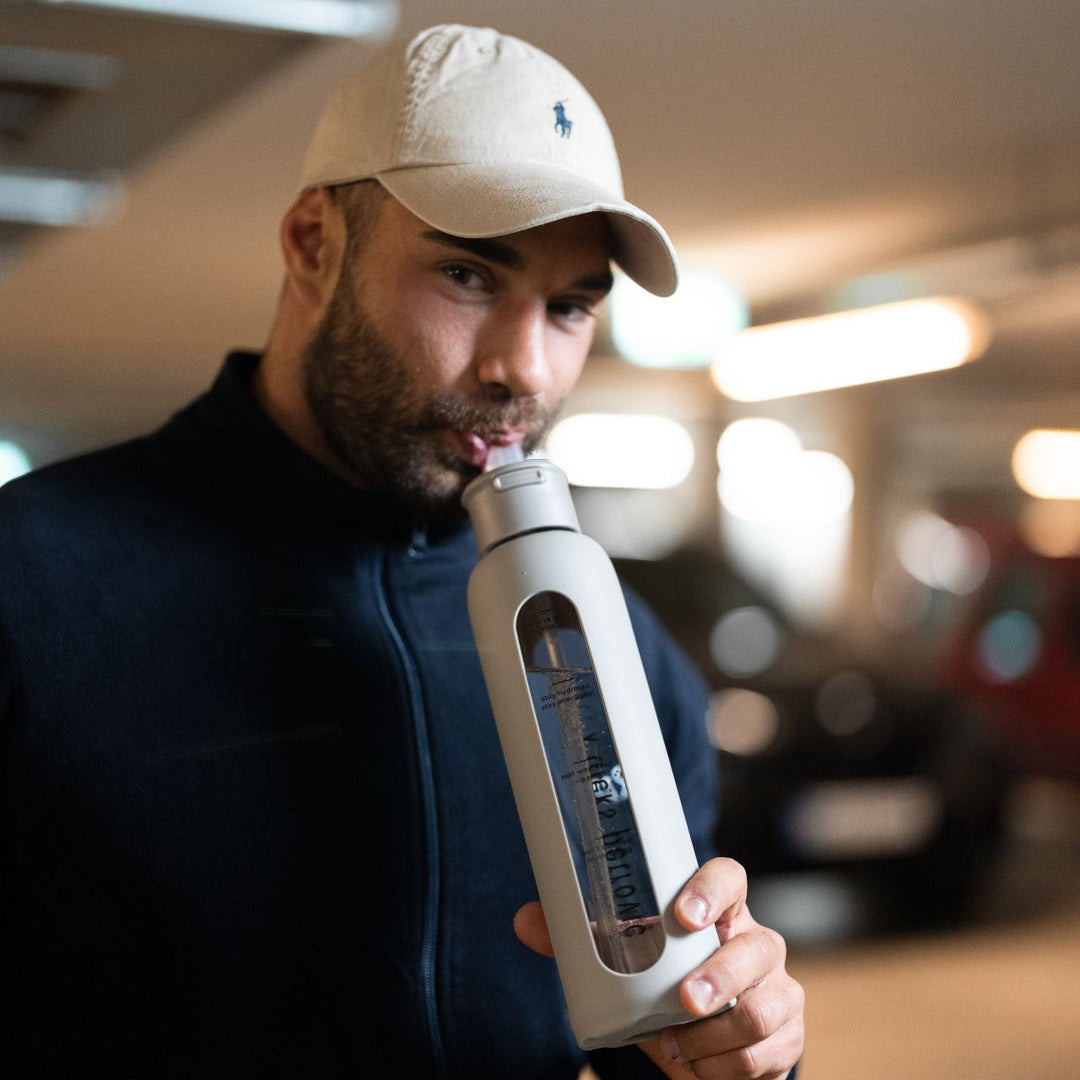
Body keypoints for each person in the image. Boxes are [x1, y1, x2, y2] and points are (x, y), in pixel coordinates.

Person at [0, 23, 804, 1080]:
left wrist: (730, 1047)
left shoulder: (632, 669)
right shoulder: (33, 582)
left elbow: (647, 1042)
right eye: (470, 276)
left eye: (569, 307)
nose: (525, 368)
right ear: (311, 243)